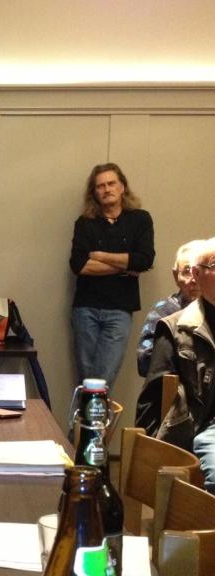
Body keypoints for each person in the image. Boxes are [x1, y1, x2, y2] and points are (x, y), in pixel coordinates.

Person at [135, 237, 215, 491]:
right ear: (197, 274)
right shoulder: (174, 325)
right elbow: (153, 395)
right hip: (205, 425)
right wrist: (146, 459)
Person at [69, 162, 155, 389]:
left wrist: (101, 256)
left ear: (122, 186)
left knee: (103, 380)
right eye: (100, 186)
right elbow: (79, 265)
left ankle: (91, 414)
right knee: (86, 379)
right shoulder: (85, 223)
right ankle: (86, 415)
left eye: (111, 183)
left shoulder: (140, 219)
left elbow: (144, 260)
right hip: (86, 308)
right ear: (94, 192)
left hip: (120, 309)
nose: (107, 189)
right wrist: (127, 266)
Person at [136, 240, 203, 377]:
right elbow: (144, 362)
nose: (194, 279)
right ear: (176, 275)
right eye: (187, 272)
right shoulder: (164, 311)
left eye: (199, 271)